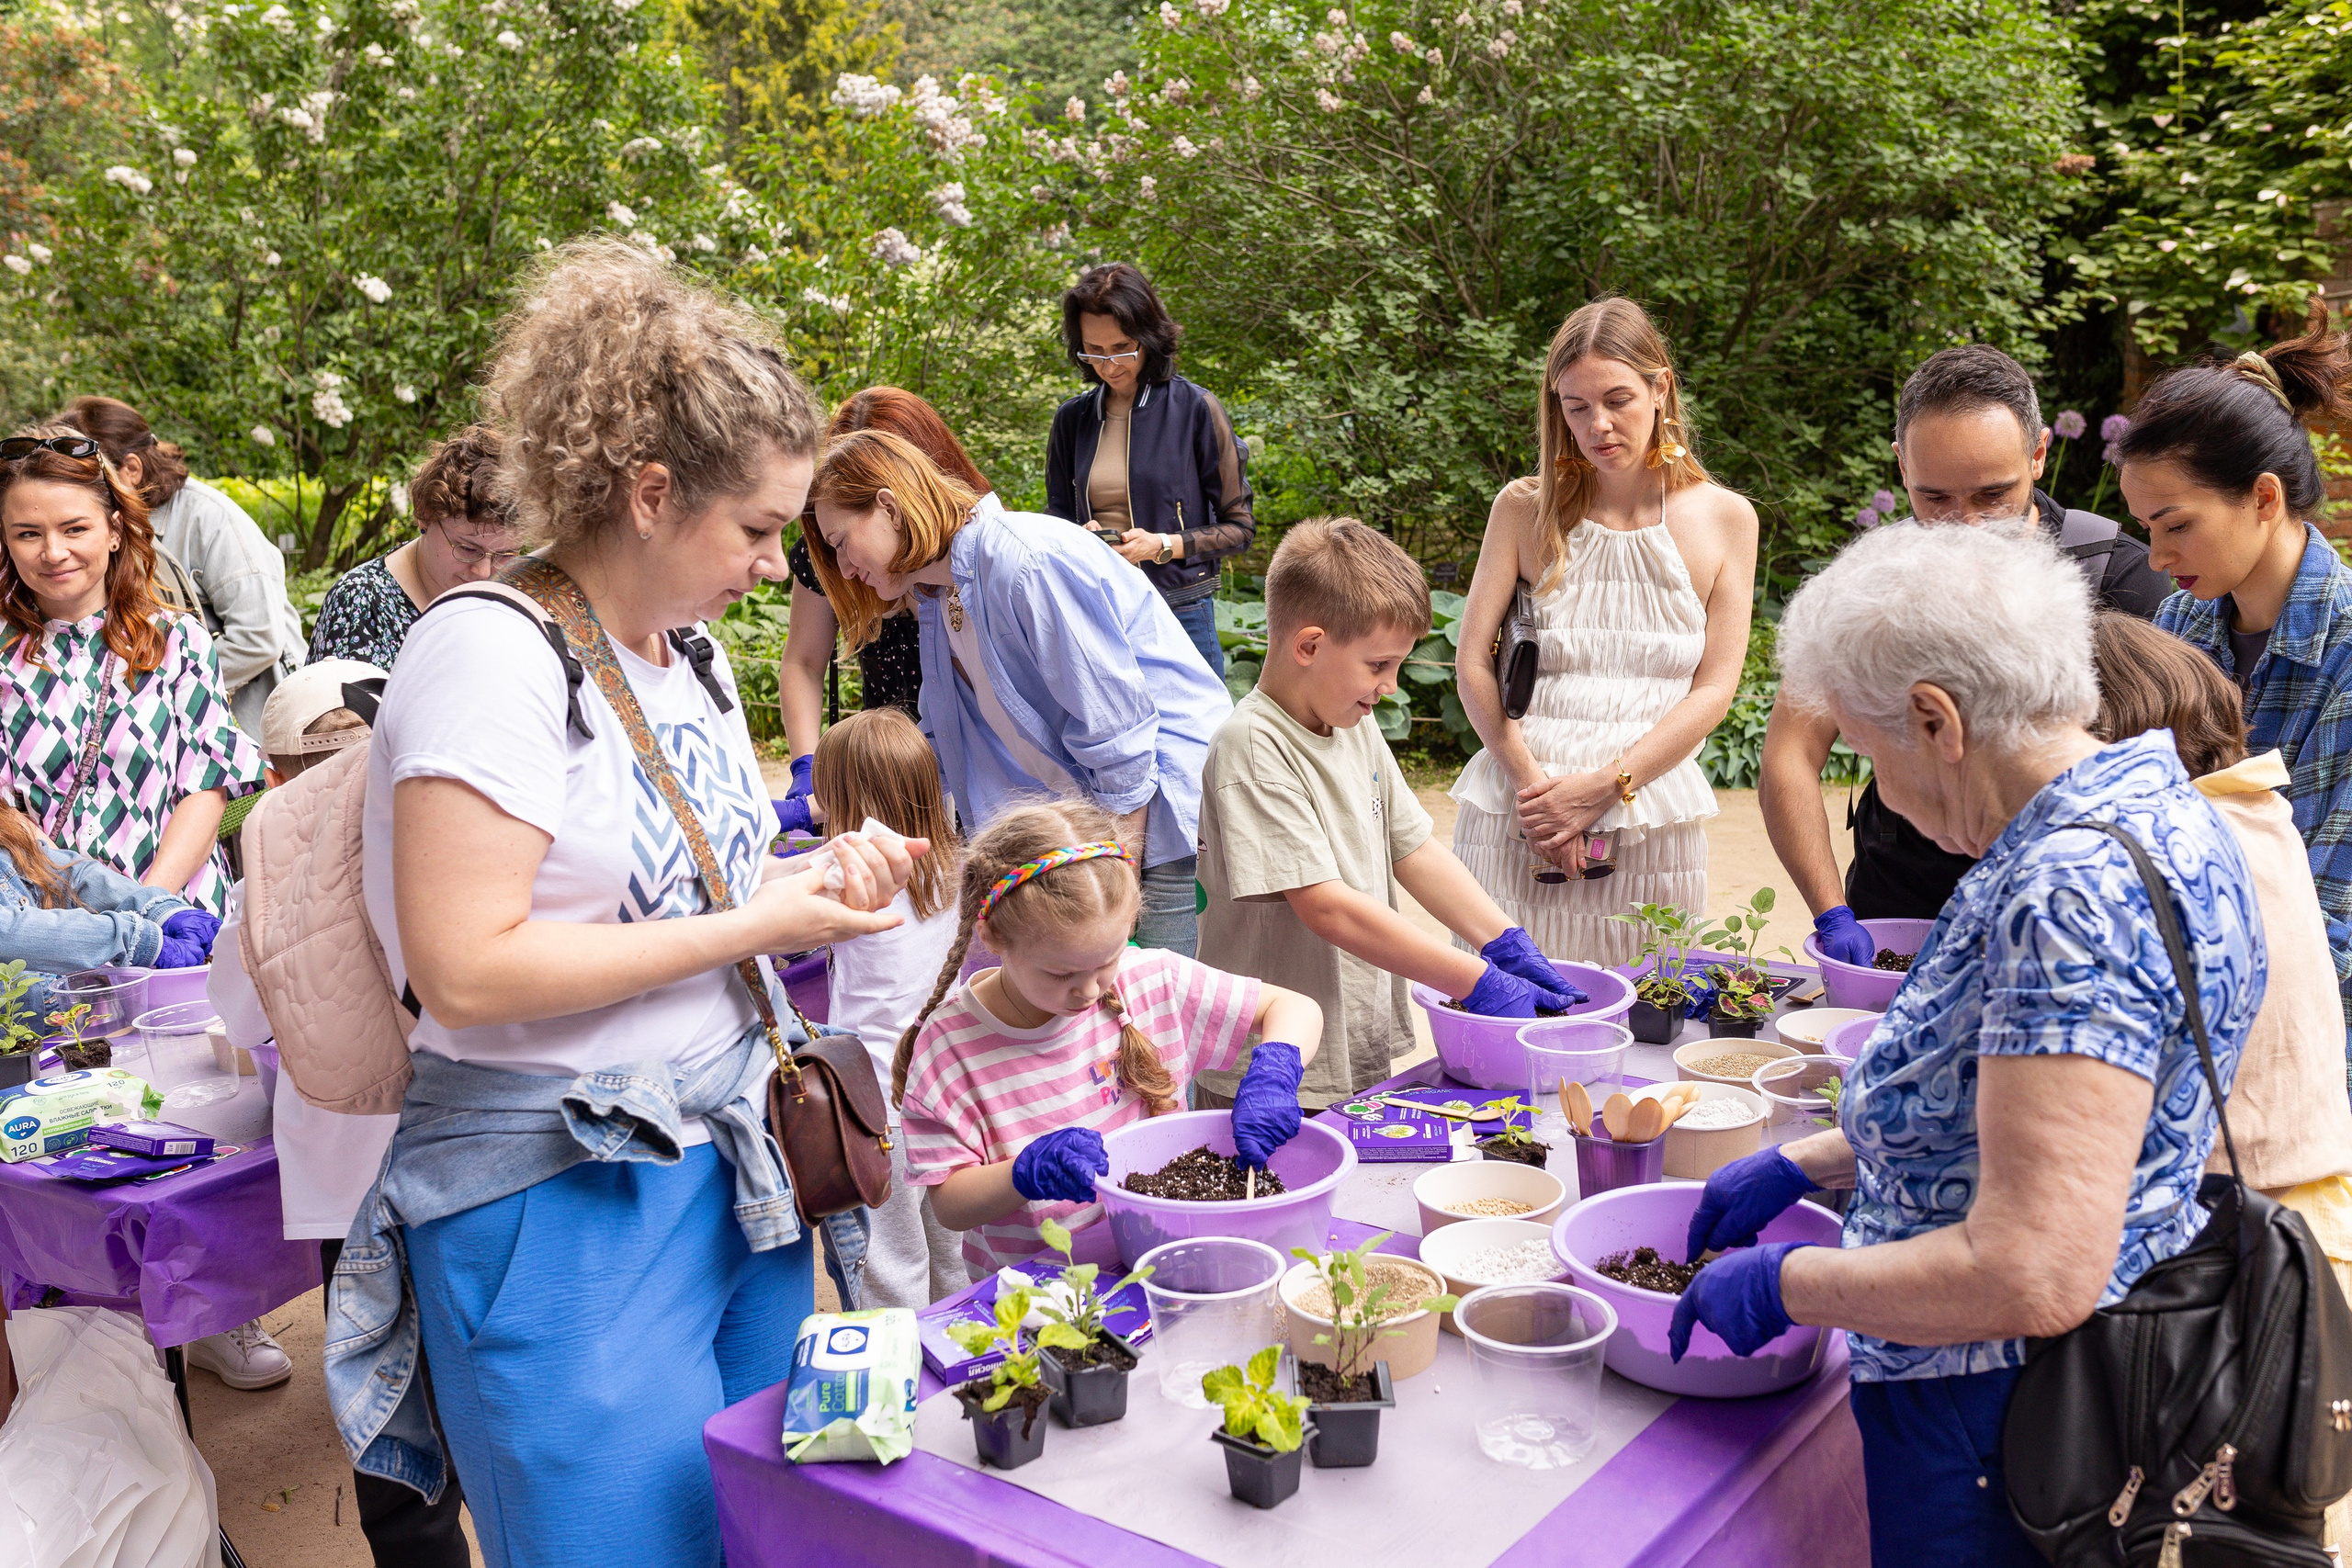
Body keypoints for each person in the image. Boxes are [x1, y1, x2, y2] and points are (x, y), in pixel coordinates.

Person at [322, 240, 923, 1568]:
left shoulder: (688, 653)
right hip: (559, 1203)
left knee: (757, 1532)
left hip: (729, 1172)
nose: (780, 568)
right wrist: (763, 923)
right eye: (760, 528)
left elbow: (663, 898)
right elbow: (469, 966)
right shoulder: (488, 650)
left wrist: (802, 877)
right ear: (651, 492)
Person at [1672, 523, 2262, 1568]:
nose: (1876, 790)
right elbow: (2044, 1115)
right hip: (2067, 1374)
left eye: (1864, 753)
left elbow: (2029, 1270)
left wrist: (1786, 1283)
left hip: (2004, 1410)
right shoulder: (2153, 808)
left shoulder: (2068, 891)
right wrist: (1814, 1158)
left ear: (1935, 719)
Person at [1760, 344, 2175, 958]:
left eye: (1991, 497)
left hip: (2066, 915)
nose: (1965, 528)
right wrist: (1832, 910)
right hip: (1897, 910)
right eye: (1935, 500)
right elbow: (1791, 750)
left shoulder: (2124, 580)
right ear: (1902, 466)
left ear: (2038, 454)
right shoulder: (1872, 585)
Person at [206, 657, 474, 1565]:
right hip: (465, 1162)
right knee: (482, 1380)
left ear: (274, 777)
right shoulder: (449, 846)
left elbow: (242, 1022)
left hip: (344, 1184)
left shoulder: (260, 884)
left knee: (388, 1406)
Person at [1196, 518, 1584, 1107]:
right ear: (1309, 645)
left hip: (1353, 1038)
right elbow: (1326, 907)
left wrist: (1504, 942)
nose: (1392, 686)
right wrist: (1473, 980)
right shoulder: (1252, 746)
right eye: (1379, 665)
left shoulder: (1353, 721)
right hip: (1269, 1067)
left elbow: (1414, 848)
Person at [806, 427, 1232, 957]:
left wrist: (1114, 879)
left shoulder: (1023, 562)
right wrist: (832, 803)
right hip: (1101, 828)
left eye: (841, 542)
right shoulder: (940, 594)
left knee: (1154, 1011)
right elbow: (945, 748)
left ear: (890, 508)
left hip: (1161, 819)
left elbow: (1118, 735)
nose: (843, 568)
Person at [1450, 297, 1757, 966]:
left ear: (1661, 388)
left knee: (1642, 1027)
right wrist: (1536, 795)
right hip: (1517, 822)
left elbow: (1713, 692)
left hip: (1648, 825)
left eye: (1618, 398)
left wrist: (1602, 789)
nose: (1599, 424)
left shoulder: (1727, 518)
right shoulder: (1523, 508)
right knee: (1505, 1025)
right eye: (1576, 405)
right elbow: (1472, 661)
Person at [896, 799, 1322, 1276]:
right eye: (1061, 973)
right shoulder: (951, 1045)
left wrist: (1277, 1067)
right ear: (994, 937)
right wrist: (1023, 1175)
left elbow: (1296, 1008)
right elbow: (950, 1206)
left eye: (1108, 960)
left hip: (1165, 1260)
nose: (1090, 989)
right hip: (1040, 1292)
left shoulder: (1152, 981)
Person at [2125, 302, 2352, 1038]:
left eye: (2177, 526)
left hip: (2306, 1055)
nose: (2157, 559)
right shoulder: (2182, 624)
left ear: (2264, 496)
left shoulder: (2344, 653)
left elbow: (2330, 931)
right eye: (2146, 531)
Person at [0, 429, 264, 916]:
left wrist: (148, 908)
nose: (53, 552)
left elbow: (205, 790)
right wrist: (83, 914)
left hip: (177, 918)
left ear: (116, 531)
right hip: (51, 925)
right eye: (28, 533)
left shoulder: (178, 642)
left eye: (75, 528)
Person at [805, 706, 969, 1309]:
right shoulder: (950, 861)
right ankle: (960, 1372)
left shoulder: (848, 868)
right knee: (955, 1259)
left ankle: (894, 1392)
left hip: (875, 1109)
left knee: (887, 1270)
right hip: (948, 1097)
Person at [774, 389, 983, 838]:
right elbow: (804, 661)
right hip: (884, 762)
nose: (848, 567)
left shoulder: (981, 553)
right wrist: (809, 772)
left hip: (977, 761)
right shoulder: (831, 549)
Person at [1044, 262, 1254, 678]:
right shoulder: (1072, 418)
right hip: (1098, 607)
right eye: (1095, 351)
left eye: (1123, 348)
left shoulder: (1196, 409)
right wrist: (1076, 536)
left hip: (1181, 607)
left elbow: (1240, 528)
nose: (1109, 366)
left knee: (1198, 739)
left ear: (1149, 338)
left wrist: (1161, 544)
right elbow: (1056, 517)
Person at [57, 397, 304, 737]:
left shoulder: (212, 521)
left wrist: (156, 685)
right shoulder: (106, 523)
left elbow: (258, 639)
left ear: (131, 469)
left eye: (88, 477)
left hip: (256, 725)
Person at [307, 425, 525, 669]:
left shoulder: (523, 590)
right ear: (424, 517)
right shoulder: (361, 603)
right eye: (467, 549)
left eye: (505, 554)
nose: (484, 572)